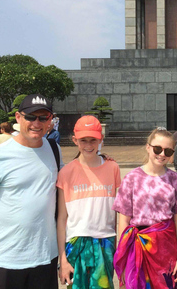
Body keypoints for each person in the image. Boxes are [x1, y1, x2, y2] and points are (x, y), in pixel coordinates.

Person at [0, 94, 63, 289]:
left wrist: (101, 158)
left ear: (50, 121)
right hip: (6, 260)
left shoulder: (54, 149)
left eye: (43, 117)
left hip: (46, 258)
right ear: (18, 117)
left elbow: (74, 173)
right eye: (31, 117)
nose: (37, 123)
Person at [113, 128, 177, 289]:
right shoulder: (132, 178)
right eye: (157, 149)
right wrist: (123, 257)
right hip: (137, 248)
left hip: (166, 249)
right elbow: (123, 220)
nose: (162, 154)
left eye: (167, 151)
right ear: (148, 147)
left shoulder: (175, 179)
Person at [57, 115, 121, 288]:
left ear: (100, 139)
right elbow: (62, 219)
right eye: (83, 140)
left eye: (93, 140)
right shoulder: (66, 173)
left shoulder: (112, 168)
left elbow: (118, 213)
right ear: (74, 140)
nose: (88, 145)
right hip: (75, 243)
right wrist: (62, 258)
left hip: (105, 241)